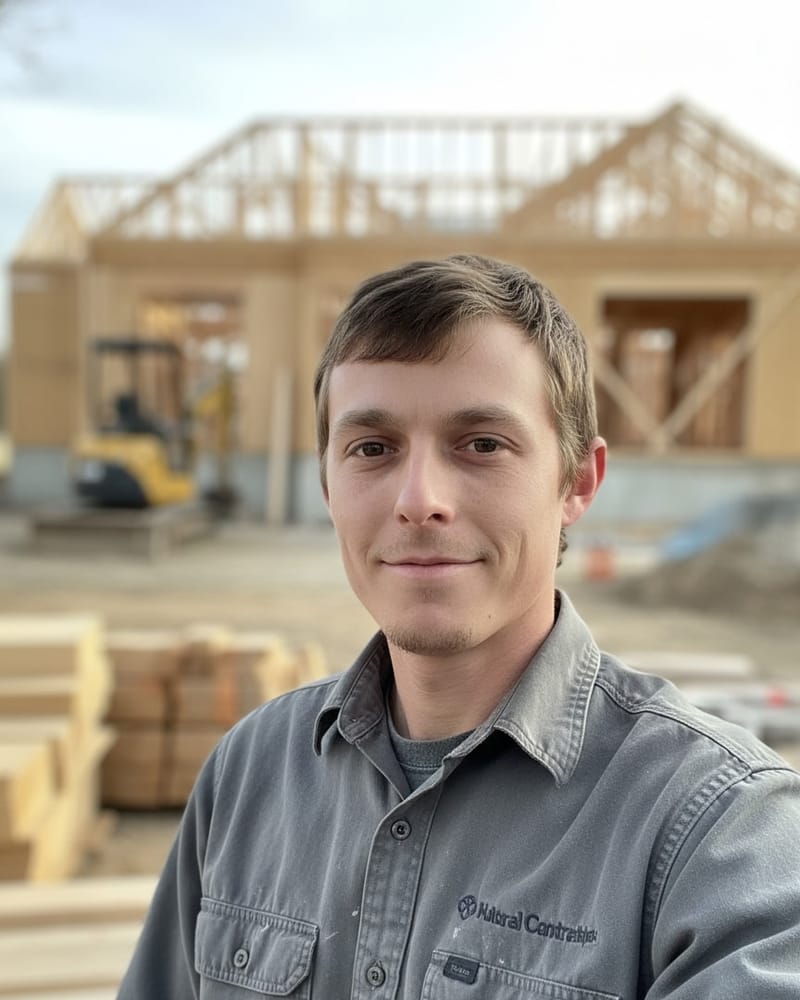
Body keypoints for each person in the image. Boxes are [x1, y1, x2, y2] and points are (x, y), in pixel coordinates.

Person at [117, 255, 800, 999]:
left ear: (577, 482)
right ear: (327, 485)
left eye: (481, 444)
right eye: (372, 449)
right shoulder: (249, 775)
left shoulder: (718, 832)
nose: (419, 500)